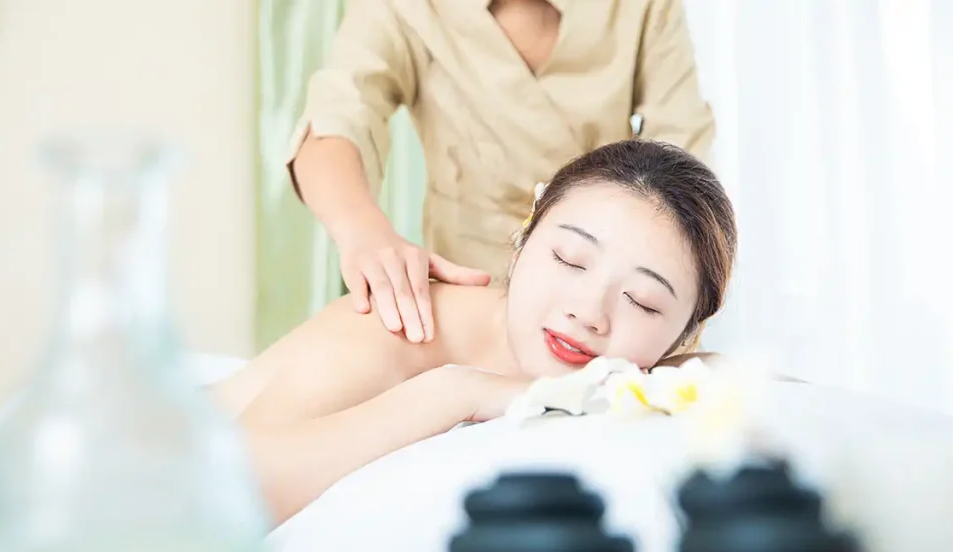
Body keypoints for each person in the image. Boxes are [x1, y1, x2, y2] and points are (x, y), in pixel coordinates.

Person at [220, 140, 735, 523]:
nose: (588, 312)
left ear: (685, 333)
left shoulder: (644, 375)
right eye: (569, 259)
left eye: (642, 302)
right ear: (524, 237)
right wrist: (456, 392)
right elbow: (226, 489)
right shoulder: (396, 325)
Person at [288, 0, 716, 345]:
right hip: (469, 303)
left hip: (605, 316)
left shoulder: (642, 8)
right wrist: (364, 232)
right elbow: (335, 120)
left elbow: (684, 168)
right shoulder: (406, 8)